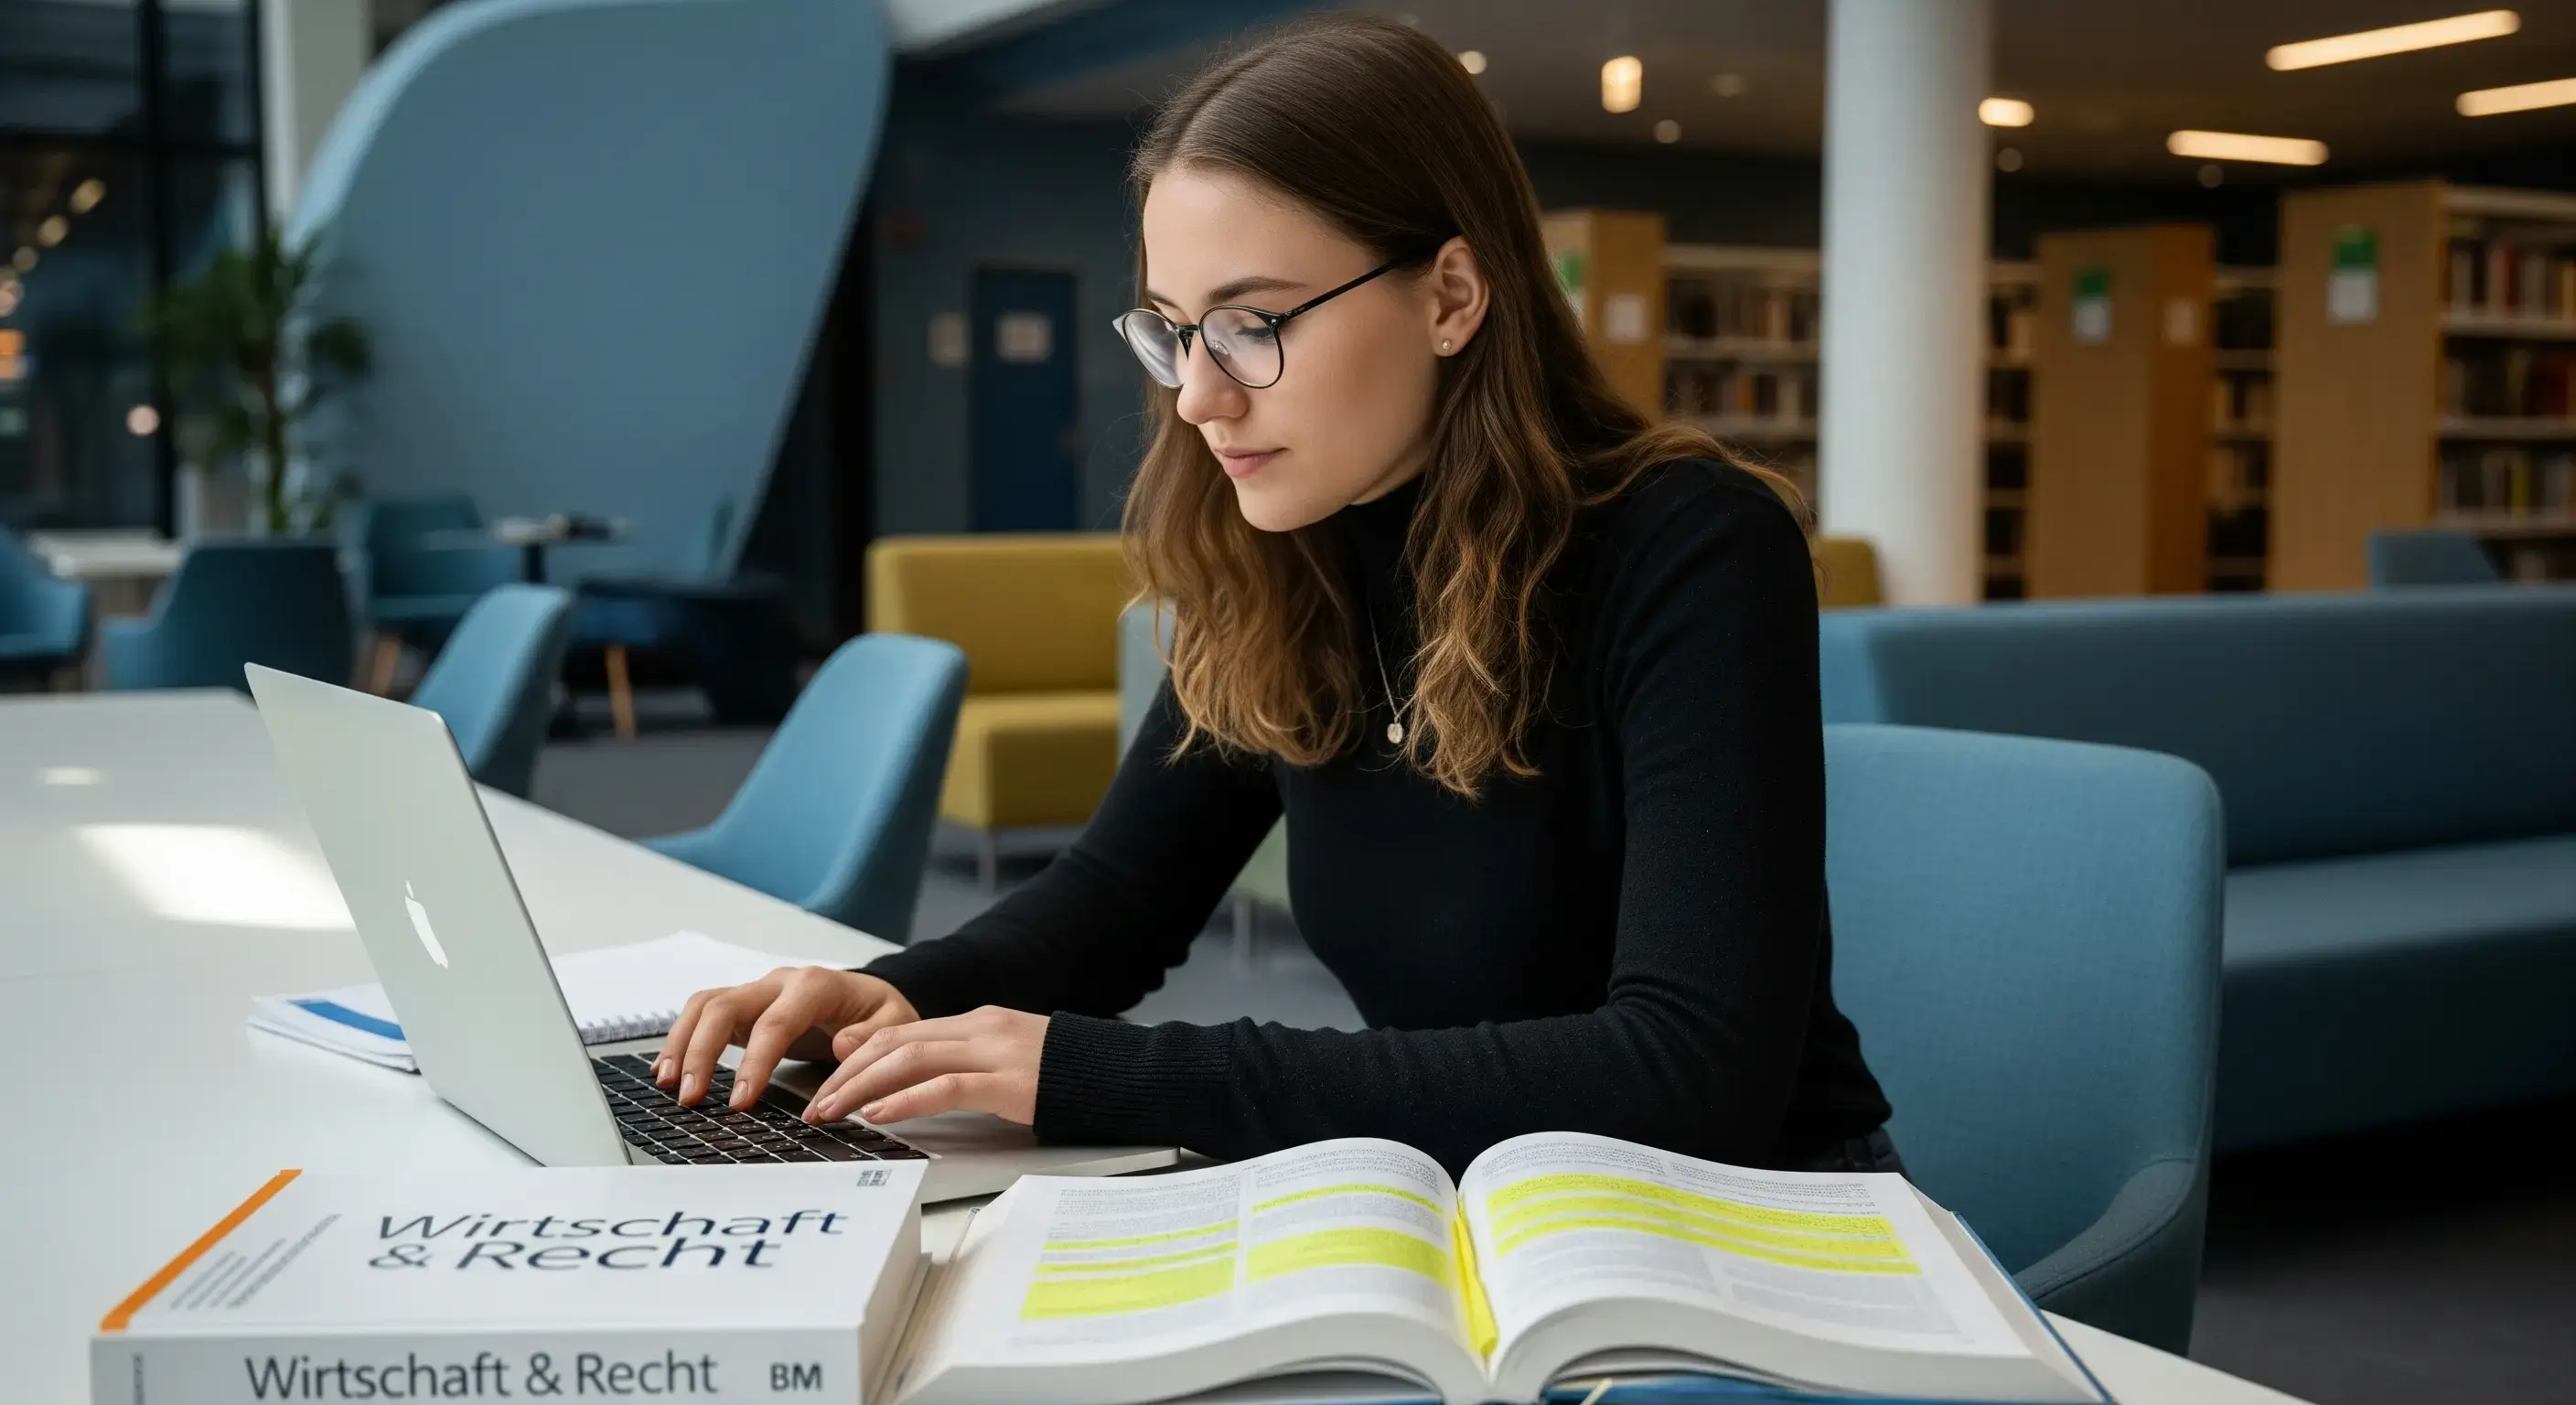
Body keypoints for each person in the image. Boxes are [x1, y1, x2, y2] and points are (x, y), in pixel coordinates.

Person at [656, 13, 1895, 1177]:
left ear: (1452, 296)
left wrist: (1119, 1076)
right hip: (1471, 1214)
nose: (1199, 399)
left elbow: (1692, 1071)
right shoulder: (1290, 546)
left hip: (1759, 1226)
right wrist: (902, 993)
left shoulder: (1692, 546)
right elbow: (1119, 898)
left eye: (1252, 326)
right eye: (1172, 331)